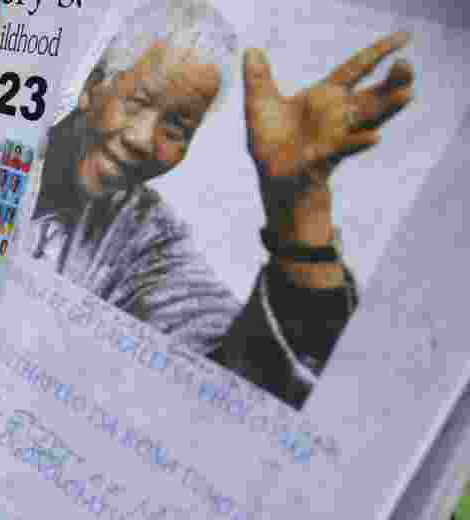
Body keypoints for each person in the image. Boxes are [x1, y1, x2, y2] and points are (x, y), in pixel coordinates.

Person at [24, 0, 414, 408]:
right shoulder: (3, 137)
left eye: (176, 127)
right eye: (137, 103)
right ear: (93, 85)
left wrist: (297, 208)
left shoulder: (145, 238)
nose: (143, 138)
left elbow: (232, 378)